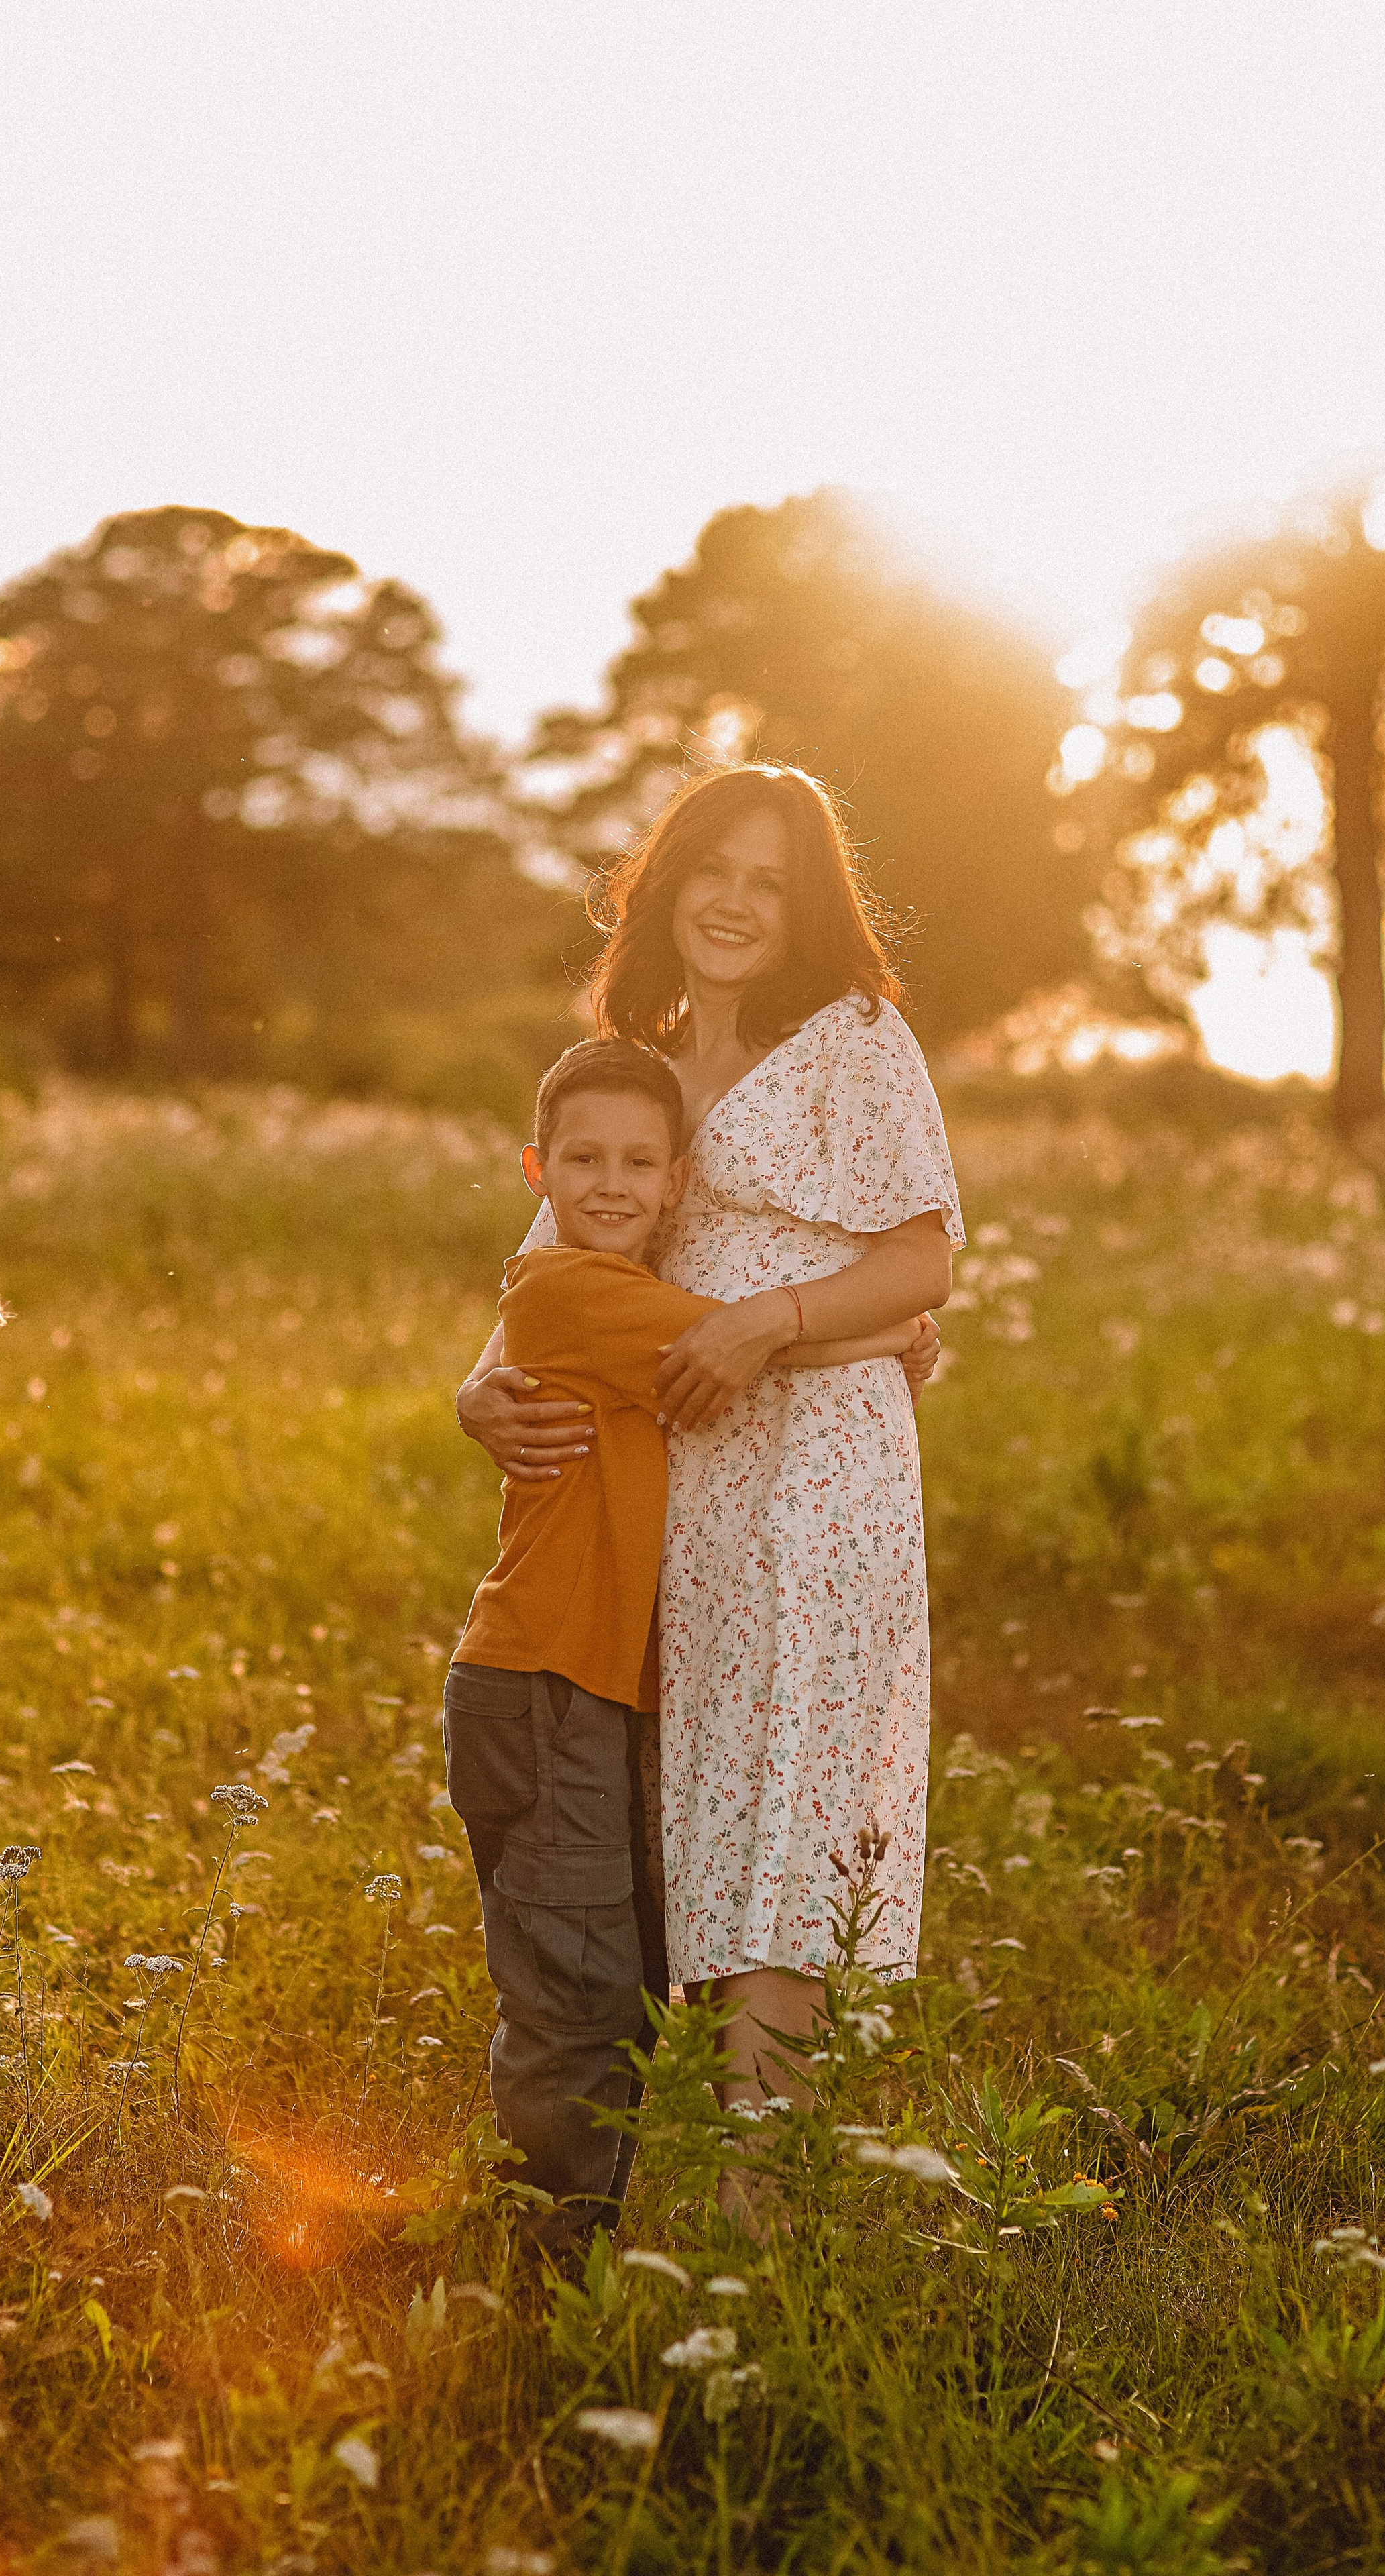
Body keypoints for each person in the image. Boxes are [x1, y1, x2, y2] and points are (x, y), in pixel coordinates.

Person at [459, 765, 961, 2159]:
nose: (734, 904)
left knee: (789, 1807)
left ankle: (759, 2203)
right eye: (712, 872)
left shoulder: (854, 1039)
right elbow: (548, 1263)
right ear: (663, 884)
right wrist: (478, 1389)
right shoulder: (644, 1057)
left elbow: (922, 1259)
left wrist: (774, 1325)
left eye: (770, 882)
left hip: (815, 1472)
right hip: (674, 1478)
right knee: (694, 1800)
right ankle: (699, 2182)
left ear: (806, 910)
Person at [446, 1035, 922, 2261]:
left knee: (619, 1975)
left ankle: (578, 2243)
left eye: (639, 1161)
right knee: (575, 1999)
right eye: (584, 1159)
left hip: (595, 1687)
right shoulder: (570, 1292)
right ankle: (542, 2271)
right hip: (543, 1683)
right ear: (535, 1172)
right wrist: (890, 1336)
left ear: (677, 1185)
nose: (610, 1181)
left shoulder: (613, 1285)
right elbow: (740, 1348)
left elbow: (738, 1345)